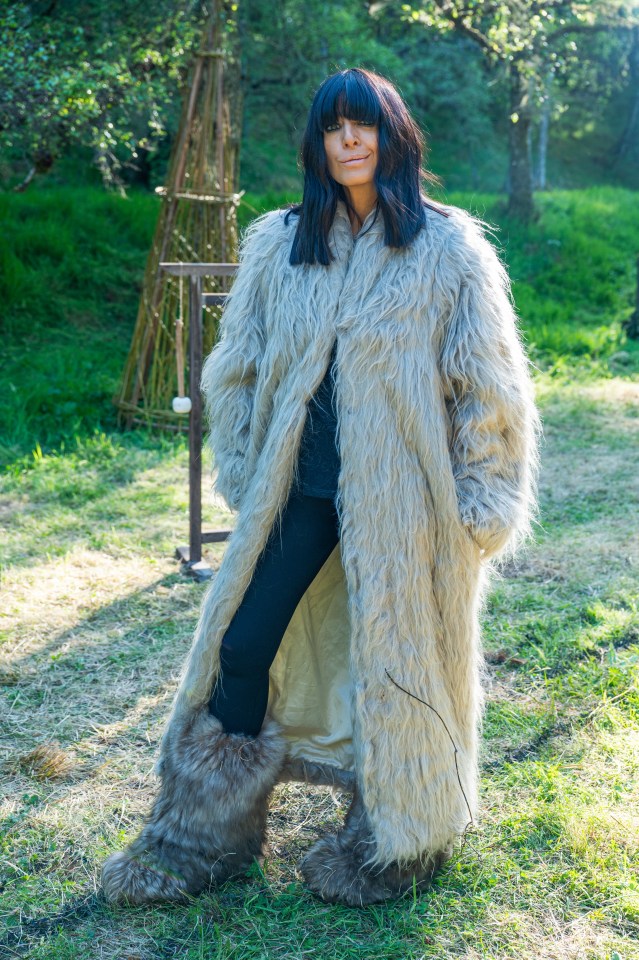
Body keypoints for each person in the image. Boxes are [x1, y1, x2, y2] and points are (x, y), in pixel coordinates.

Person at [102, 67, 540, 908]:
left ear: (393, 135)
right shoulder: (280, 239)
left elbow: (489, 389)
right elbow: (238, 367)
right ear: (316, 141)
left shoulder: (450, 250)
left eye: (364, 125)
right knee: (242, 645)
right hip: (299, 492)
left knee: (397, 663)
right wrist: (240, 464)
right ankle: (204, 835)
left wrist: (482, 503)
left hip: (408, 506)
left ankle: (397, 835)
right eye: (334, 127)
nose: (349, 141)